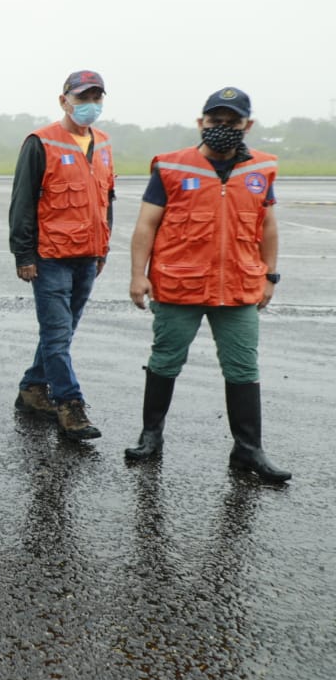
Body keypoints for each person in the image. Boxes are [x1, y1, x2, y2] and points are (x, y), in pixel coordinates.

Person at [126, 87, 290, 483]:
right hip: (179, 286)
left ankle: (248, 449)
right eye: (215, 122)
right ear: (201, 123)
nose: (223, 129)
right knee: (165, 360)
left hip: (237, 287)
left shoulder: (260, 170)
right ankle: (151, 437)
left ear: (247, 125)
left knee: (242, 367)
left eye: (233, 123)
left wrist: (270, 275)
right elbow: (146, 224)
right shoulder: (170, 167)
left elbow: (266, 225)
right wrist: (137, 273)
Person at [9, 70, 115, 441]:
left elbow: (106, 199)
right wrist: (24, 254)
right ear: (64, 100)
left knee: (63, 332)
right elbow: (22, 202)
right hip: (50, 256)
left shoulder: (102, 144)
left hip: (87, 256)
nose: (90, 105)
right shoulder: (41, 142)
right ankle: (70, 406)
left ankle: (33, 387)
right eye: (83, 97)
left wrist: (103, 247)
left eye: (96, 98)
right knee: (56, 335)